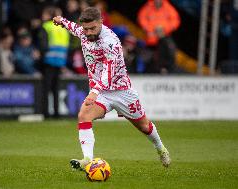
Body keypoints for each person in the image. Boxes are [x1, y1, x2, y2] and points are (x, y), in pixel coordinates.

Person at [53, 7, 171, 170]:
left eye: (92, 28)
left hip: (122, 92)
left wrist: (94, 92)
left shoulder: (111, 41)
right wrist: (62, 21)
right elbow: (75, 29)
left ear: (101, 22)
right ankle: (88, 159)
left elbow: (109, 71)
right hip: (102, 94)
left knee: (144, 126)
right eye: (86, 29)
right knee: (84, 115)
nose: (88, 33)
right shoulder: (84, 32)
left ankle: (160, 148)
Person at [137, 0, 180, 74]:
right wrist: (152, 30)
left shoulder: (168, 8)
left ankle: (166, 69)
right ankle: (141, 72)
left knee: (169, 50)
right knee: (144, 58)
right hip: (151, 39)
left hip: (164, 38)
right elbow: (141, 18)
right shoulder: (148, 7)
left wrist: (164, 29)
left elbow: (175, 20)